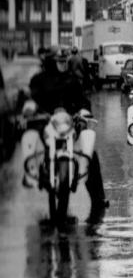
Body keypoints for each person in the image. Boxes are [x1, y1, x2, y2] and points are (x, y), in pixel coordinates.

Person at [19, 46, 109, 222]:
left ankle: (98, 199)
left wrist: (84, 111)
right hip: (45, 121)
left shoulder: (72, 79)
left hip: (69, 123)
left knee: (91, 154)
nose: (62, 64)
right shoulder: (39, 80)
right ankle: (31, 172)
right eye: (59, 61)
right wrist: (31, 109)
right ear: (51, 62)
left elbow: (82, 98)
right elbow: (32, 98)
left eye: (64, 61)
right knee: (30, 136)